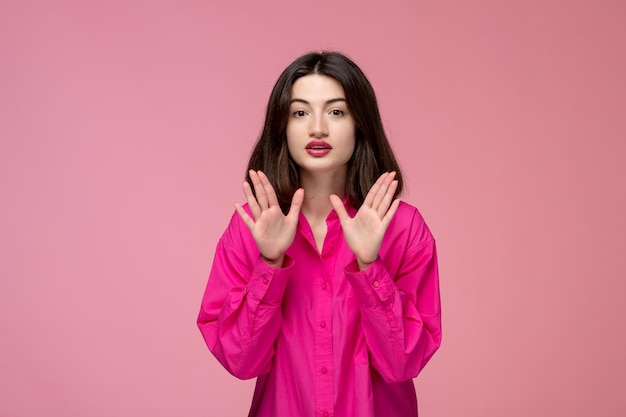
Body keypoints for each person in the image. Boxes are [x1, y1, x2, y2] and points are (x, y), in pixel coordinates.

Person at [197, 51, 442, 417]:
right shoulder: (250, 227)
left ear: (361, 122)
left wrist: (369, 264)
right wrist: (270, 261)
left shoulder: (404, 228)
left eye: (336, 111)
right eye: (300, 112)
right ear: (282, 126)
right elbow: (240, 362)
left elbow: (403, 363)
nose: (317, 128)